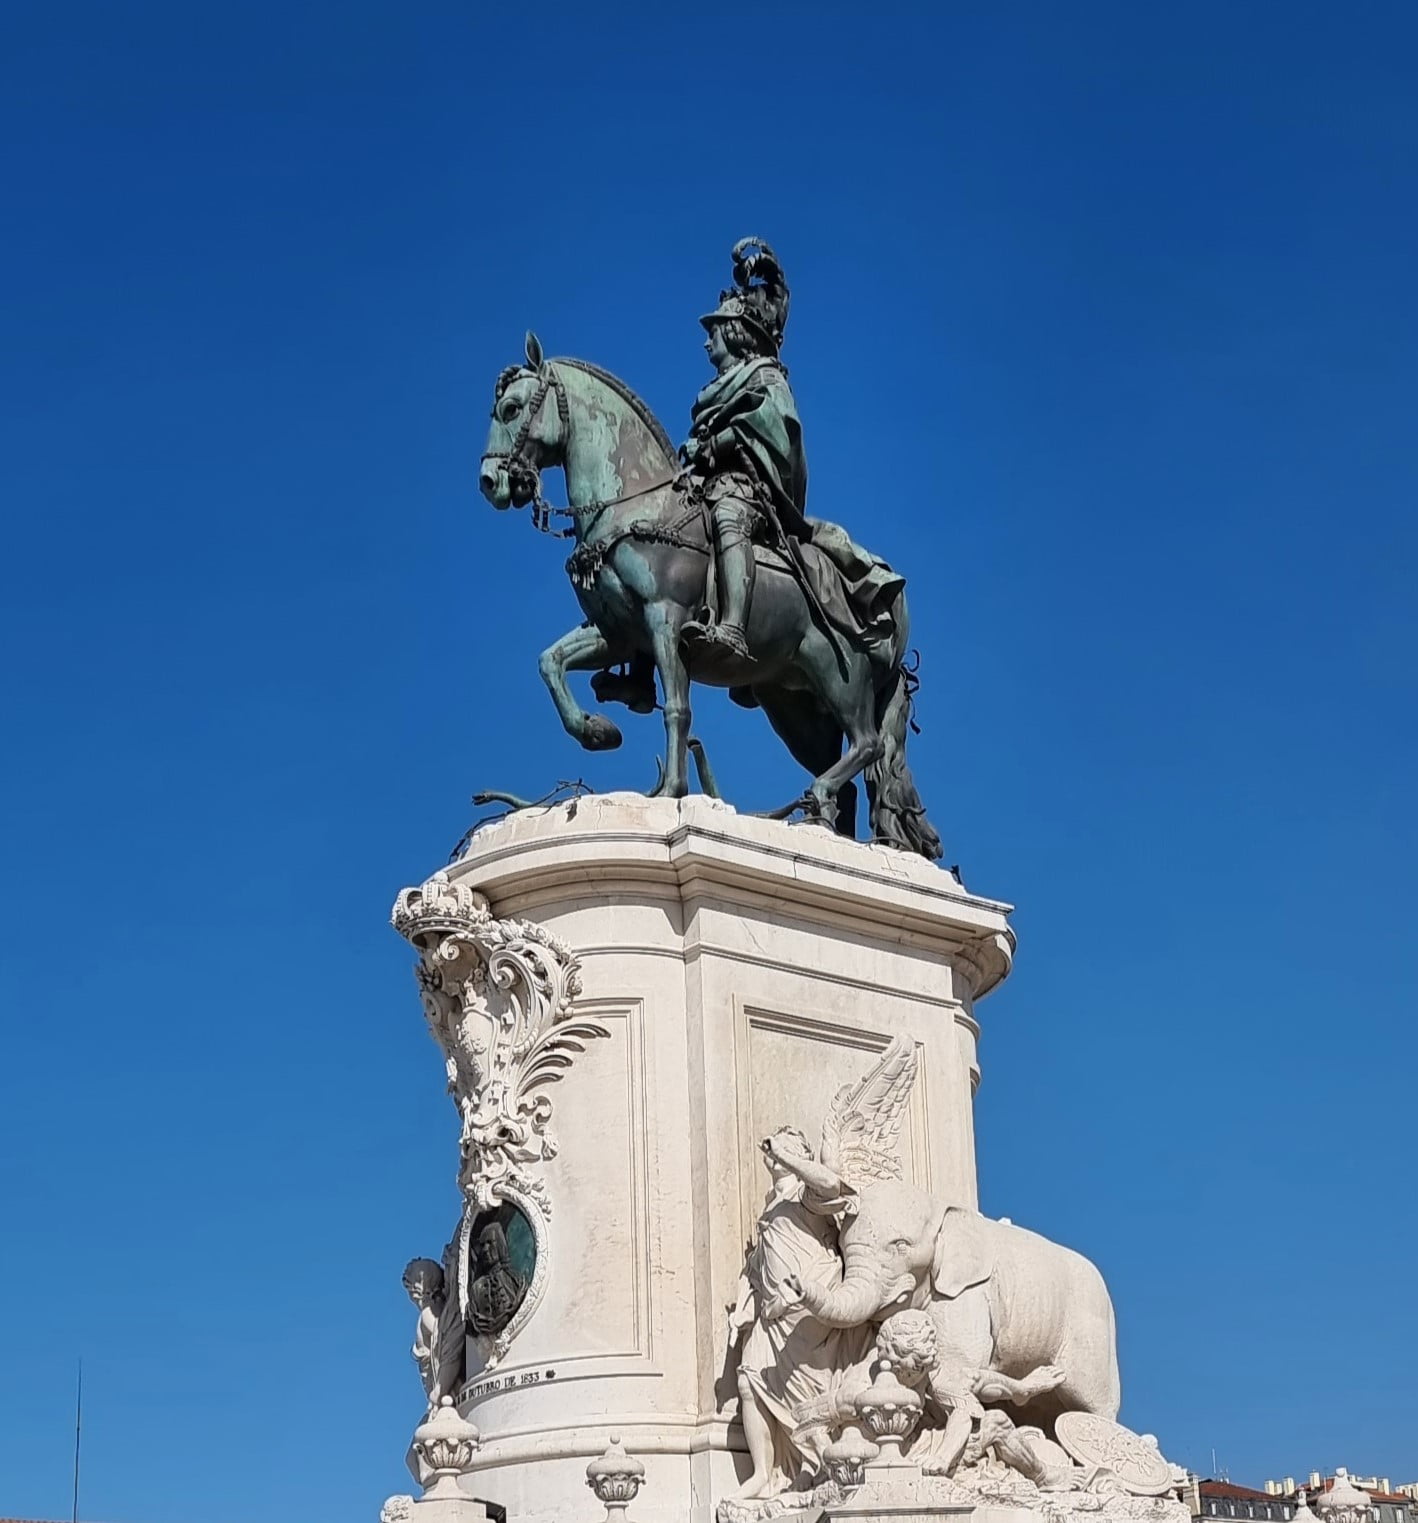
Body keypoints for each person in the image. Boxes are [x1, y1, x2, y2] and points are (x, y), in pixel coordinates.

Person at [680, 239, 810, 662]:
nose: (705, 344)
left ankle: (734, 627)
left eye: (712, 333)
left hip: (749, 493)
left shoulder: (766, 378)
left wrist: (717, 443)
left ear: (734, 334)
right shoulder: (712, 392)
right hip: (708, 483)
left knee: (727, 514)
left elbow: (774, 427)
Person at [724, 1126, 870, 1500]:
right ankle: (761, 1474)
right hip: (770, 1318)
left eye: (783, 1145)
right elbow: (757, 1268)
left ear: (797, 1153)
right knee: (747, 1379)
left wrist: (790, 1157)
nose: (771, 1149)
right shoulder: (772, 1207)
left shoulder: (806, 1194)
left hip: (806, 1313)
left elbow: (831, 1184)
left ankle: (821, 1462)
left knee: (807, 1395)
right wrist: (743, 1310)